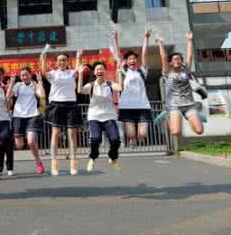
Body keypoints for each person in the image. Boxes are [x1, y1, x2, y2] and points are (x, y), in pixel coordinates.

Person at [78, 31, 123, 172]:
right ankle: (92, 157)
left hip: (109, 116)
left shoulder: (110, 84)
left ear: (104, 71)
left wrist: (119, 73)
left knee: (115, 140)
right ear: (95, 72)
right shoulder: (91, 85)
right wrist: (80, 73)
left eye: (102, 69)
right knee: (95, 139)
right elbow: (79, 90)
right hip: (94, 117)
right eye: (97, 69)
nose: (99, 71)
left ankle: (112, 156)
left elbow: (121, 87)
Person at [40, 46, 83, 176]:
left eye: (64, 60)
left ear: (67, 62)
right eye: (59, 60)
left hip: (71, 105)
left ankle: (73, 163)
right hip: (56, 105)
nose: (61, 62)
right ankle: (54, 164)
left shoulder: (71, 73)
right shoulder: (53, 74)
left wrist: (79, 56)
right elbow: (43, 71)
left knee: (72, 135)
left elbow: (78, 67)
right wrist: (44, 54)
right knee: (56, 134)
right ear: (56, 62)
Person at [156, 31, 204, 136]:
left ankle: (189, 119)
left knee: (199, 131)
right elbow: (163, 58)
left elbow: (190, 56)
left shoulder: (186, 71)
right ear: (171, 63)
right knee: (176, 132)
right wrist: (160, 43)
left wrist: (190, 40)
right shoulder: (167, 73)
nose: (177, 60)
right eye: (174, 59)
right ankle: (167, 116)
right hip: (174, 106)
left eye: (179, 58)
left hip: (189, 105)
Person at [7, 67, 46, 174]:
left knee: (31, 141)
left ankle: (38, 162)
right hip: (18, 116)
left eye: (26, 74)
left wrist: (40, 81)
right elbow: (8, 96)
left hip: (32, 115)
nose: (24, 77)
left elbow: (42, 95)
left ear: (30, 74)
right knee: (19, 145)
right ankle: (22, 136)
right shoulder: (18, 85)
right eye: (22, 75)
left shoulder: (35, 85)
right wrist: (11, 83)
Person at [118, 30, 152, 148]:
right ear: (126, 62)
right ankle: (132, 139)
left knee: (142, 134)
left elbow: (144, 55)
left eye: (134, 59)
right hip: (127, 106)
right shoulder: (124, 71)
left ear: (136, 61)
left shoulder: (142, 71)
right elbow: (118, 55)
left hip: (142, 105)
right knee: (131, 135)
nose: (132, 60)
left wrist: (146, 38)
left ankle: (139, 138)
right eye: (129, 59)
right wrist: (116, 39)